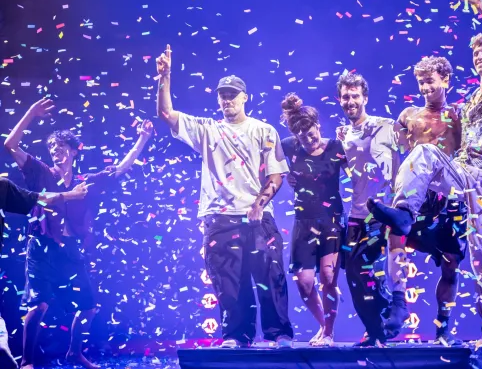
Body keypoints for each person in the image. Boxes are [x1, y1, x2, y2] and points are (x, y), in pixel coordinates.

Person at [368, 0, 482, 345]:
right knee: (423, 153)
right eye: (478, 54)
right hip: (463, 172)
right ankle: (404, 212)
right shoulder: (467, 104)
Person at [155, 45, 293, 348]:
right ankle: (235, 335)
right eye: (223, 95)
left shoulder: (263, 130)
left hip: (259, 220)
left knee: (270, 278)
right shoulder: (208, 129)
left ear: (245, 97)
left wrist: (258, 204)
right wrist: (164, 77)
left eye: (233, 94)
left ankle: (278, 334)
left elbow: (276, 175)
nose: (227, 99)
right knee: (229, 285)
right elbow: (166, 113)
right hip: (220, 220)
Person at [4, 98, 154, 369]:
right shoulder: (40, 173)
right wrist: (30, 113)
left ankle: (74, 352)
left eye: (61, 146)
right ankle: (27, 361)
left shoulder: (87, 182)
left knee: (89, 307)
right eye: (51, 146)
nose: (55, 150)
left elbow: (121, 168)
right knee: (39, 306)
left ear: (74, 151)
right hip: (40, 246)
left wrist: (142, 139)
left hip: (70, 249)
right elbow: (10, 146)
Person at [384, 56, 482, 345]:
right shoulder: (408, 116)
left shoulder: (459, 117)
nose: (424, 87)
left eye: (429, 80)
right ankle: (397, 302)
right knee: (395, 234)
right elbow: (389, 145)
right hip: (419, 200)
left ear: (445, 80)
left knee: (450, 264)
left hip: (447, 200)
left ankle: (443, 328)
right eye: (420, 82)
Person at [335, 72, 398, 347]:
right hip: (355, 214)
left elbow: (411, 147)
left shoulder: (386, 125)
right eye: (346, 97)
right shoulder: (342, 134)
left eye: (355, 96)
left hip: (381, 212)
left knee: (370, 270)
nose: (350, 101)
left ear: (365, 98)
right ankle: (374, 330)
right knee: (351, 273)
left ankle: (382, 324)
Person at [280, 93, 346, 347]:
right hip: (303, 221)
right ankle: (323, 325)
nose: (308, 140)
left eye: (311, 133)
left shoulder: (335, 148)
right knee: (305, 283)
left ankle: (329, 333)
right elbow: (271, 165)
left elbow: (361, 169)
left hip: (330, 221)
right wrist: (287, 176)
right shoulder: (288, 146)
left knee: (328, 279)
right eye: (302, 137)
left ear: (318, 126)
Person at [0, 179, 88, 369]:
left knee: (2, 351)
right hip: (41, 255)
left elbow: (38, 199)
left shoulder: (2, 185)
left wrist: (71, 195)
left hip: (61, 250)